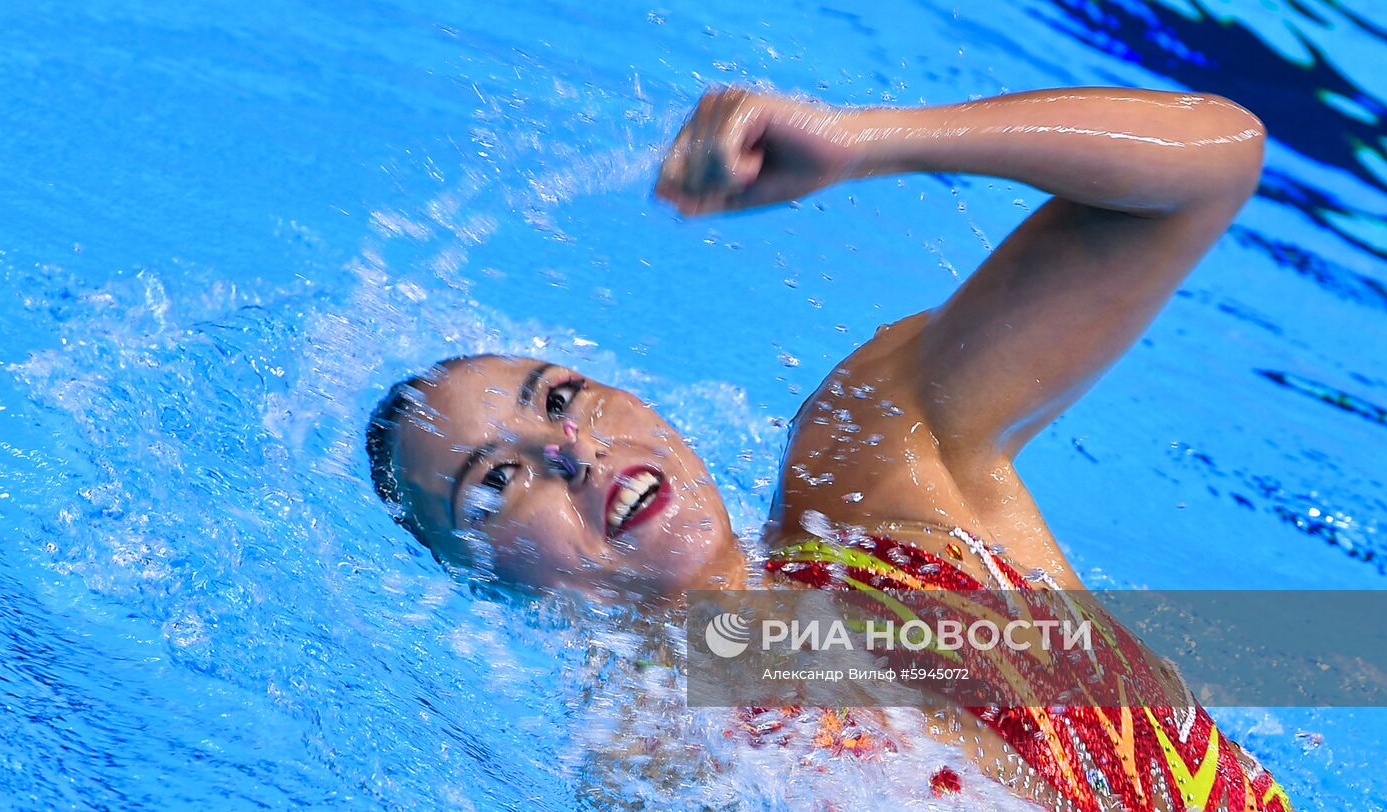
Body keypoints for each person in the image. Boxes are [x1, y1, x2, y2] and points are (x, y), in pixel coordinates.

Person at [366, 85, 1293, 810]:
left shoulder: (885, 475)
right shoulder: (655, 771)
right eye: (498, 479)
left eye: (561, 397)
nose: (569, 448)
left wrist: (873, 143)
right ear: (485, 578)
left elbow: (1206, 167)